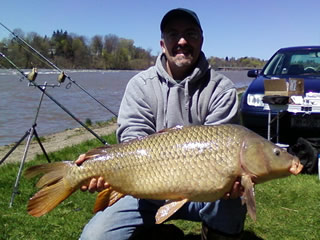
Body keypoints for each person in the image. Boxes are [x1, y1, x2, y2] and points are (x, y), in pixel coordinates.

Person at [78, 8, 246, 240]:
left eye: (190, 34)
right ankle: (161, 232)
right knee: (94, 237)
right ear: (162, 43)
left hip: (206, 192)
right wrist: (104, 172)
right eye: (173, 34)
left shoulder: (221, 89)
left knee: (233, 202)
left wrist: (231, 181)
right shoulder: (140, 85)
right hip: (144, 191)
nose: (182, 41)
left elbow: (225, 150)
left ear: (201, 40)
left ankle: (215, 232)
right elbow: (131, 141)